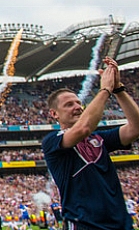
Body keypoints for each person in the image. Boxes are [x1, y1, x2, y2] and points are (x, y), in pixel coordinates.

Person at [42, 56, 139, 230]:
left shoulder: (100, 139)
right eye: (69, 105)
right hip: (85, 224)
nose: (78, 106)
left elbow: (136, 128)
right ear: (54, 114)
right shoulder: (52, 141)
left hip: (121, 223)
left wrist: (119, 90)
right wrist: (104, 91)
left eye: (79, 102)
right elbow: (83, 128)